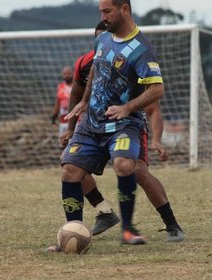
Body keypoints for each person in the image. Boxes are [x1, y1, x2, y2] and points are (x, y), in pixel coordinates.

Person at [49, 0, 166, 251]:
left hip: (123, 124)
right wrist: (83, 100)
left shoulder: (141, 48)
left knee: (125, 165)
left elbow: (157, 89)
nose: (103, 17)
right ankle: (73, 233)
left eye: (107, 11)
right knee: (69, 169)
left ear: (124, 10)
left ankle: (127, 230)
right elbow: (96, 72)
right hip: (91, 124)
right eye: (100, 12)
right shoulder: (102, 40)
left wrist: (127, 107)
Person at [50, 65, 73, 136]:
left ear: (73, 74)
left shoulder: (76, 87)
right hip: (63, 121)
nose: (67, 76)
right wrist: (54, 116)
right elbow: (58, 102)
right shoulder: (60, 87)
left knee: (74, 145)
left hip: (75, 121)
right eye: (65, 74)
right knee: (63, 143)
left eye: (69, 73)